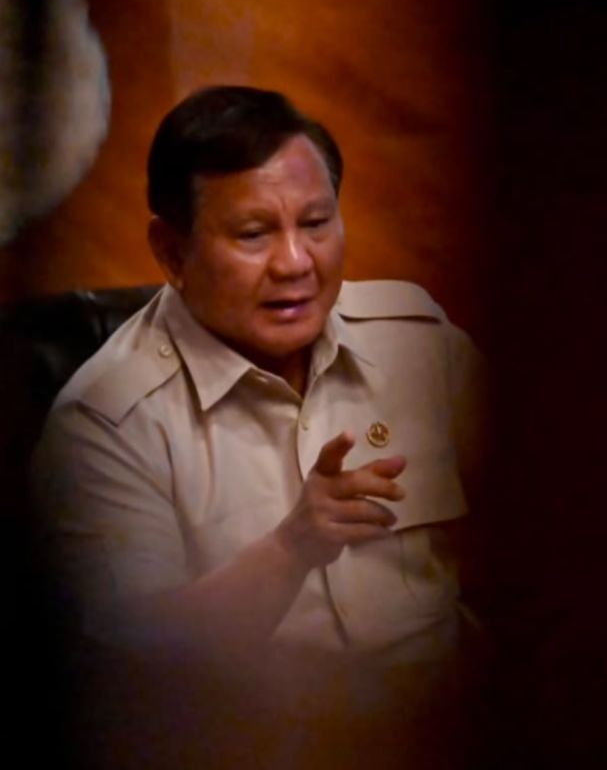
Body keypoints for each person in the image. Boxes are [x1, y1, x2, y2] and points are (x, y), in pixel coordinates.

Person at [32, 85, 486, 766]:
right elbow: (135, 673)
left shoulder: (415, 342)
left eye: (316, 223)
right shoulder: (105, 425)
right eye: (254, 234)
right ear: (172, 252)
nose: (296, 263)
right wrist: (291, 548)